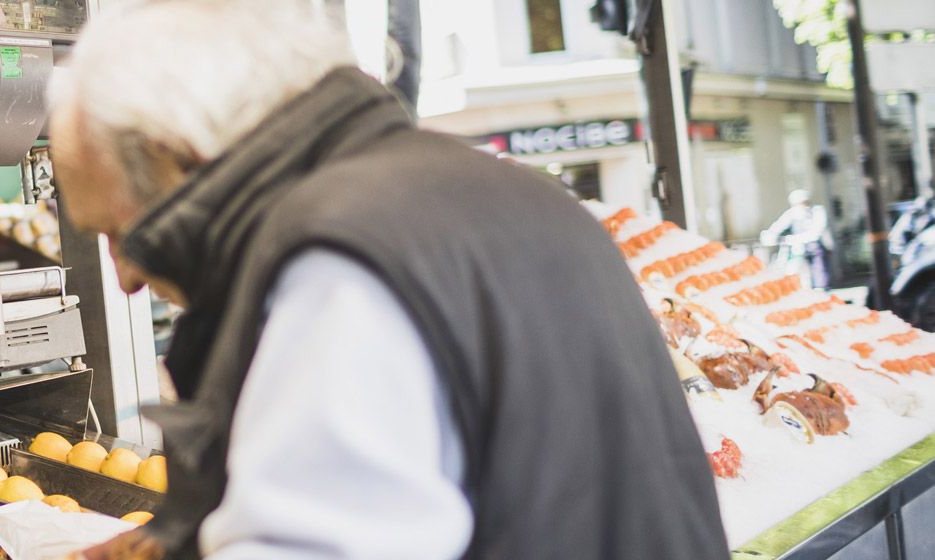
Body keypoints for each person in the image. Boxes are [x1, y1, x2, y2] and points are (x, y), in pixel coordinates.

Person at [50, 1, 726, 558]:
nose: (126, 275)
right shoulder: (504, 195)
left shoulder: (336, 261)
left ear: (182, 158)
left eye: (120, 234)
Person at [762, 189, 832, 288]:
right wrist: (770, 235)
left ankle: (821, 289)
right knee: (797, 270)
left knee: (819, 270)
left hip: (816, 246)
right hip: (800, 248)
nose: (803, 206)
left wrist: (789, 239)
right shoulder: (792, 213)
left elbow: (816, 232)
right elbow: (778, 226)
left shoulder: (817, 211)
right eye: (799, 204)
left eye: (805, 203)